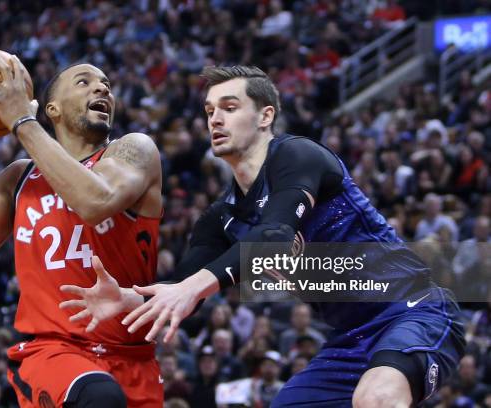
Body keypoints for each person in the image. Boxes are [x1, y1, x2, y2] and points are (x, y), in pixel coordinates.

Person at [63, 66, 465, 407]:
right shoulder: (219, 218)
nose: (214, 119)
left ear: (265, 116)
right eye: (209, 111)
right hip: (350, 340)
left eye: (229, 107)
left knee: (376, 397)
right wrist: (133, 297)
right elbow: (180, 285)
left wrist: (192, 288)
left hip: (414, 310)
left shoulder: (297, 156)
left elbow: (273, 235)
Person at [0, 52, 163, 407]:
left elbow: (94, 202)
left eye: (106, 84)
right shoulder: (19, 177)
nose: (101, 86)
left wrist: (22, 122)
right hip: (53, 353)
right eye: (84, 81)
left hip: (133, 360)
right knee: (100, 397)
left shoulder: (134, 151)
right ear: (51, 110)